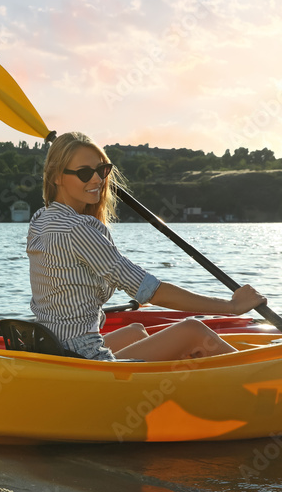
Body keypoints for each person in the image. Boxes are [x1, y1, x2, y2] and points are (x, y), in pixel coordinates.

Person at [28, 132, 265, 361]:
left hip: (54, 348)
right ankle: (257, 381)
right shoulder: (78, 229)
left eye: (102, 170)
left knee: (136, 332)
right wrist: (232, 306)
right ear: (56, 176)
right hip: (83, 357)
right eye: (84, 173)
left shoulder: (40, 219)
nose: (98, 180)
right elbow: (150, 291)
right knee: (194, 331)